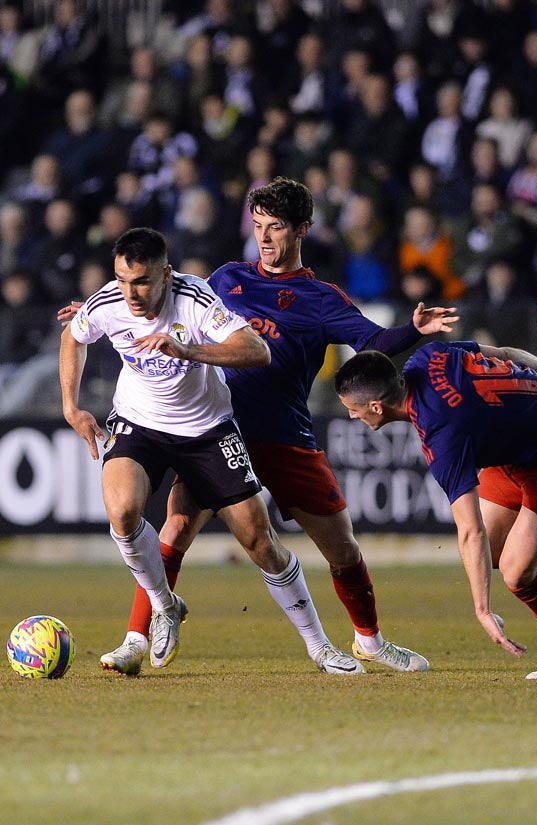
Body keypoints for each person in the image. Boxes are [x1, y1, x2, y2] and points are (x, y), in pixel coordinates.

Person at [69, 177, 457, 676]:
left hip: (285, 434)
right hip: (215, 427)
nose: (265, 238)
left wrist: (414, 329)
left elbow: (373, 340)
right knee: (177, 524)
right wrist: (106, 312)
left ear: (303, 230)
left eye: (276, 227)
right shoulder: (228, 279)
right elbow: (172, 305)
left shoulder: (320, 298)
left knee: (341, 547)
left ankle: (371, 641)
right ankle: (136, 639)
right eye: (257, 226)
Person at [60, 226, 359, 675]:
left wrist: (187, 349)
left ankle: (319, 646)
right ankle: (164, 606)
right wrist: (71, 407)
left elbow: (257, 351)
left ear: (167, 274)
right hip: (140, 424)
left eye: (141, 281)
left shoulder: (195, 300)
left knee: (259, 540)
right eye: (122, 281)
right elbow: (73, 337)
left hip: (207, 430)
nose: (131, 293)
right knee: (122, 511)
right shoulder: (107, 303)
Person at [334, 344, 537, 680]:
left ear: (376, 405)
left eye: (354, 409)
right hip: (515, 447)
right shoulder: (429, 356)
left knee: (518, 573)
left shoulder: (441, 434)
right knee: (495, 550)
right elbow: (505, 351)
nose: (351, 416)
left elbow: (469, 529)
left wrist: (483, 608)